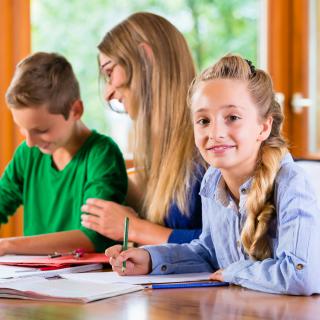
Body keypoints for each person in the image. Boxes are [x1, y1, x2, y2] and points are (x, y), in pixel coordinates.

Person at [105, 54, 320, 295]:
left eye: (233, 118)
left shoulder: (292, 184)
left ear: (264, 127)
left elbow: (302, 275)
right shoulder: (212, 179)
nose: (215, 132)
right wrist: (151, 259)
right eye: (203, 120)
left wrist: (233, 272)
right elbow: (209, 252)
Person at [81, 12, 205, 245]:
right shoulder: (167, 155)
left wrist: (134, 229)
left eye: (110, 72)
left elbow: (228, 245)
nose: (108, 93)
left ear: (146, 59)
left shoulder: (210, 144)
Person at [0, 52, 127, 255]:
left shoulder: (101, 154)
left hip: (87, 280)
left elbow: (94, 235)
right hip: (31, 279)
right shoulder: (27, 154)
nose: (30, 142)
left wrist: (8, 245)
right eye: (23, 129)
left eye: (41, 130)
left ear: (75, 110)